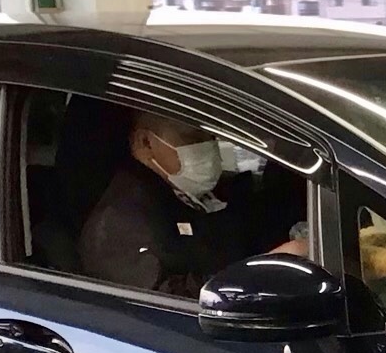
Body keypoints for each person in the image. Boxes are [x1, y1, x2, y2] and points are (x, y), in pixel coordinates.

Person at [77, 111, 304, 297]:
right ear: (145, 143)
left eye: (210, 137)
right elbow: (167, 304)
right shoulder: (119, 223)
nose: (208, 146)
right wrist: (264, 271)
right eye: (192, 138)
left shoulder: (188, 195)